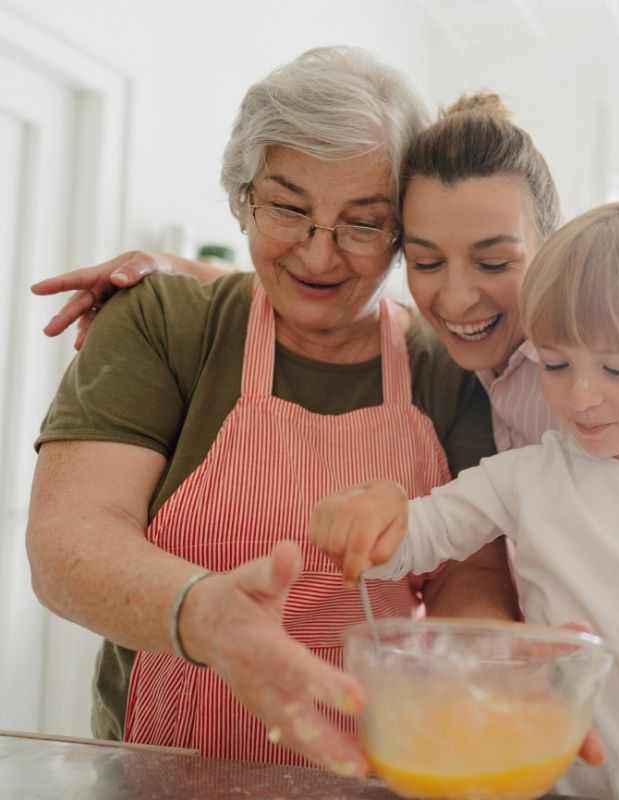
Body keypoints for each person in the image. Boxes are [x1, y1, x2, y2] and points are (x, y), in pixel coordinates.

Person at [36, 95, 619, 800]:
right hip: (608, 724)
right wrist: (177, 272)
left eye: (494, 260)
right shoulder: (450, 360)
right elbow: (324, 297)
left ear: (547, 249)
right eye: (427, 260)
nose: (456, 295)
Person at [24, 47, 527, 775]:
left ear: (402, 232)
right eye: (288, 208)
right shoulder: (165, 322)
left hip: (379, 767)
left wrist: (470, 670)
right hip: (163, 767)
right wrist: (206, 616)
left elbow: (471, 573)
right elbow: (70, 539)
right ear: (242, 196)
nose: (319, 257)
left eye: (362, 224)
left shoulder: (446, 369)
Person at [311, 201, 619, 799]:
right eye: (555, 363)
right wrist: (374, 522)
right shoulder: (526, 478)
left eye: (617, 370)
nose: (580, 396)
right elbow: (418, 535)